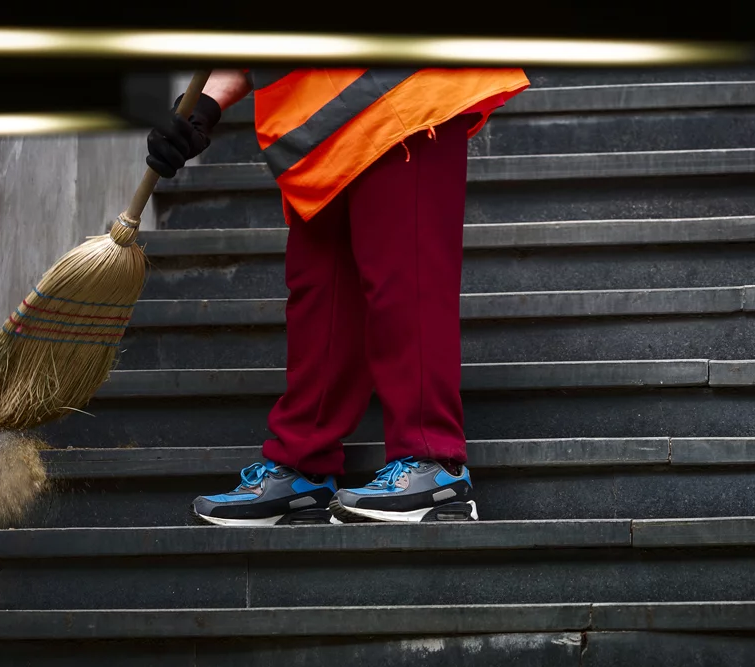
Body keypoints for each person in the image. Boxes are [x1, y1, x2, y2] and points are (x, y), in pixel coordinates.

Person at [146, 67, 530, 525]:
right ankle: (303, 466)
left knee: (406, 279)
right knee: (320, 298)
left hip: (401, 91)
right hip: (316, 127)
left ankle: (434, 465)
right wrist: (202, 106)